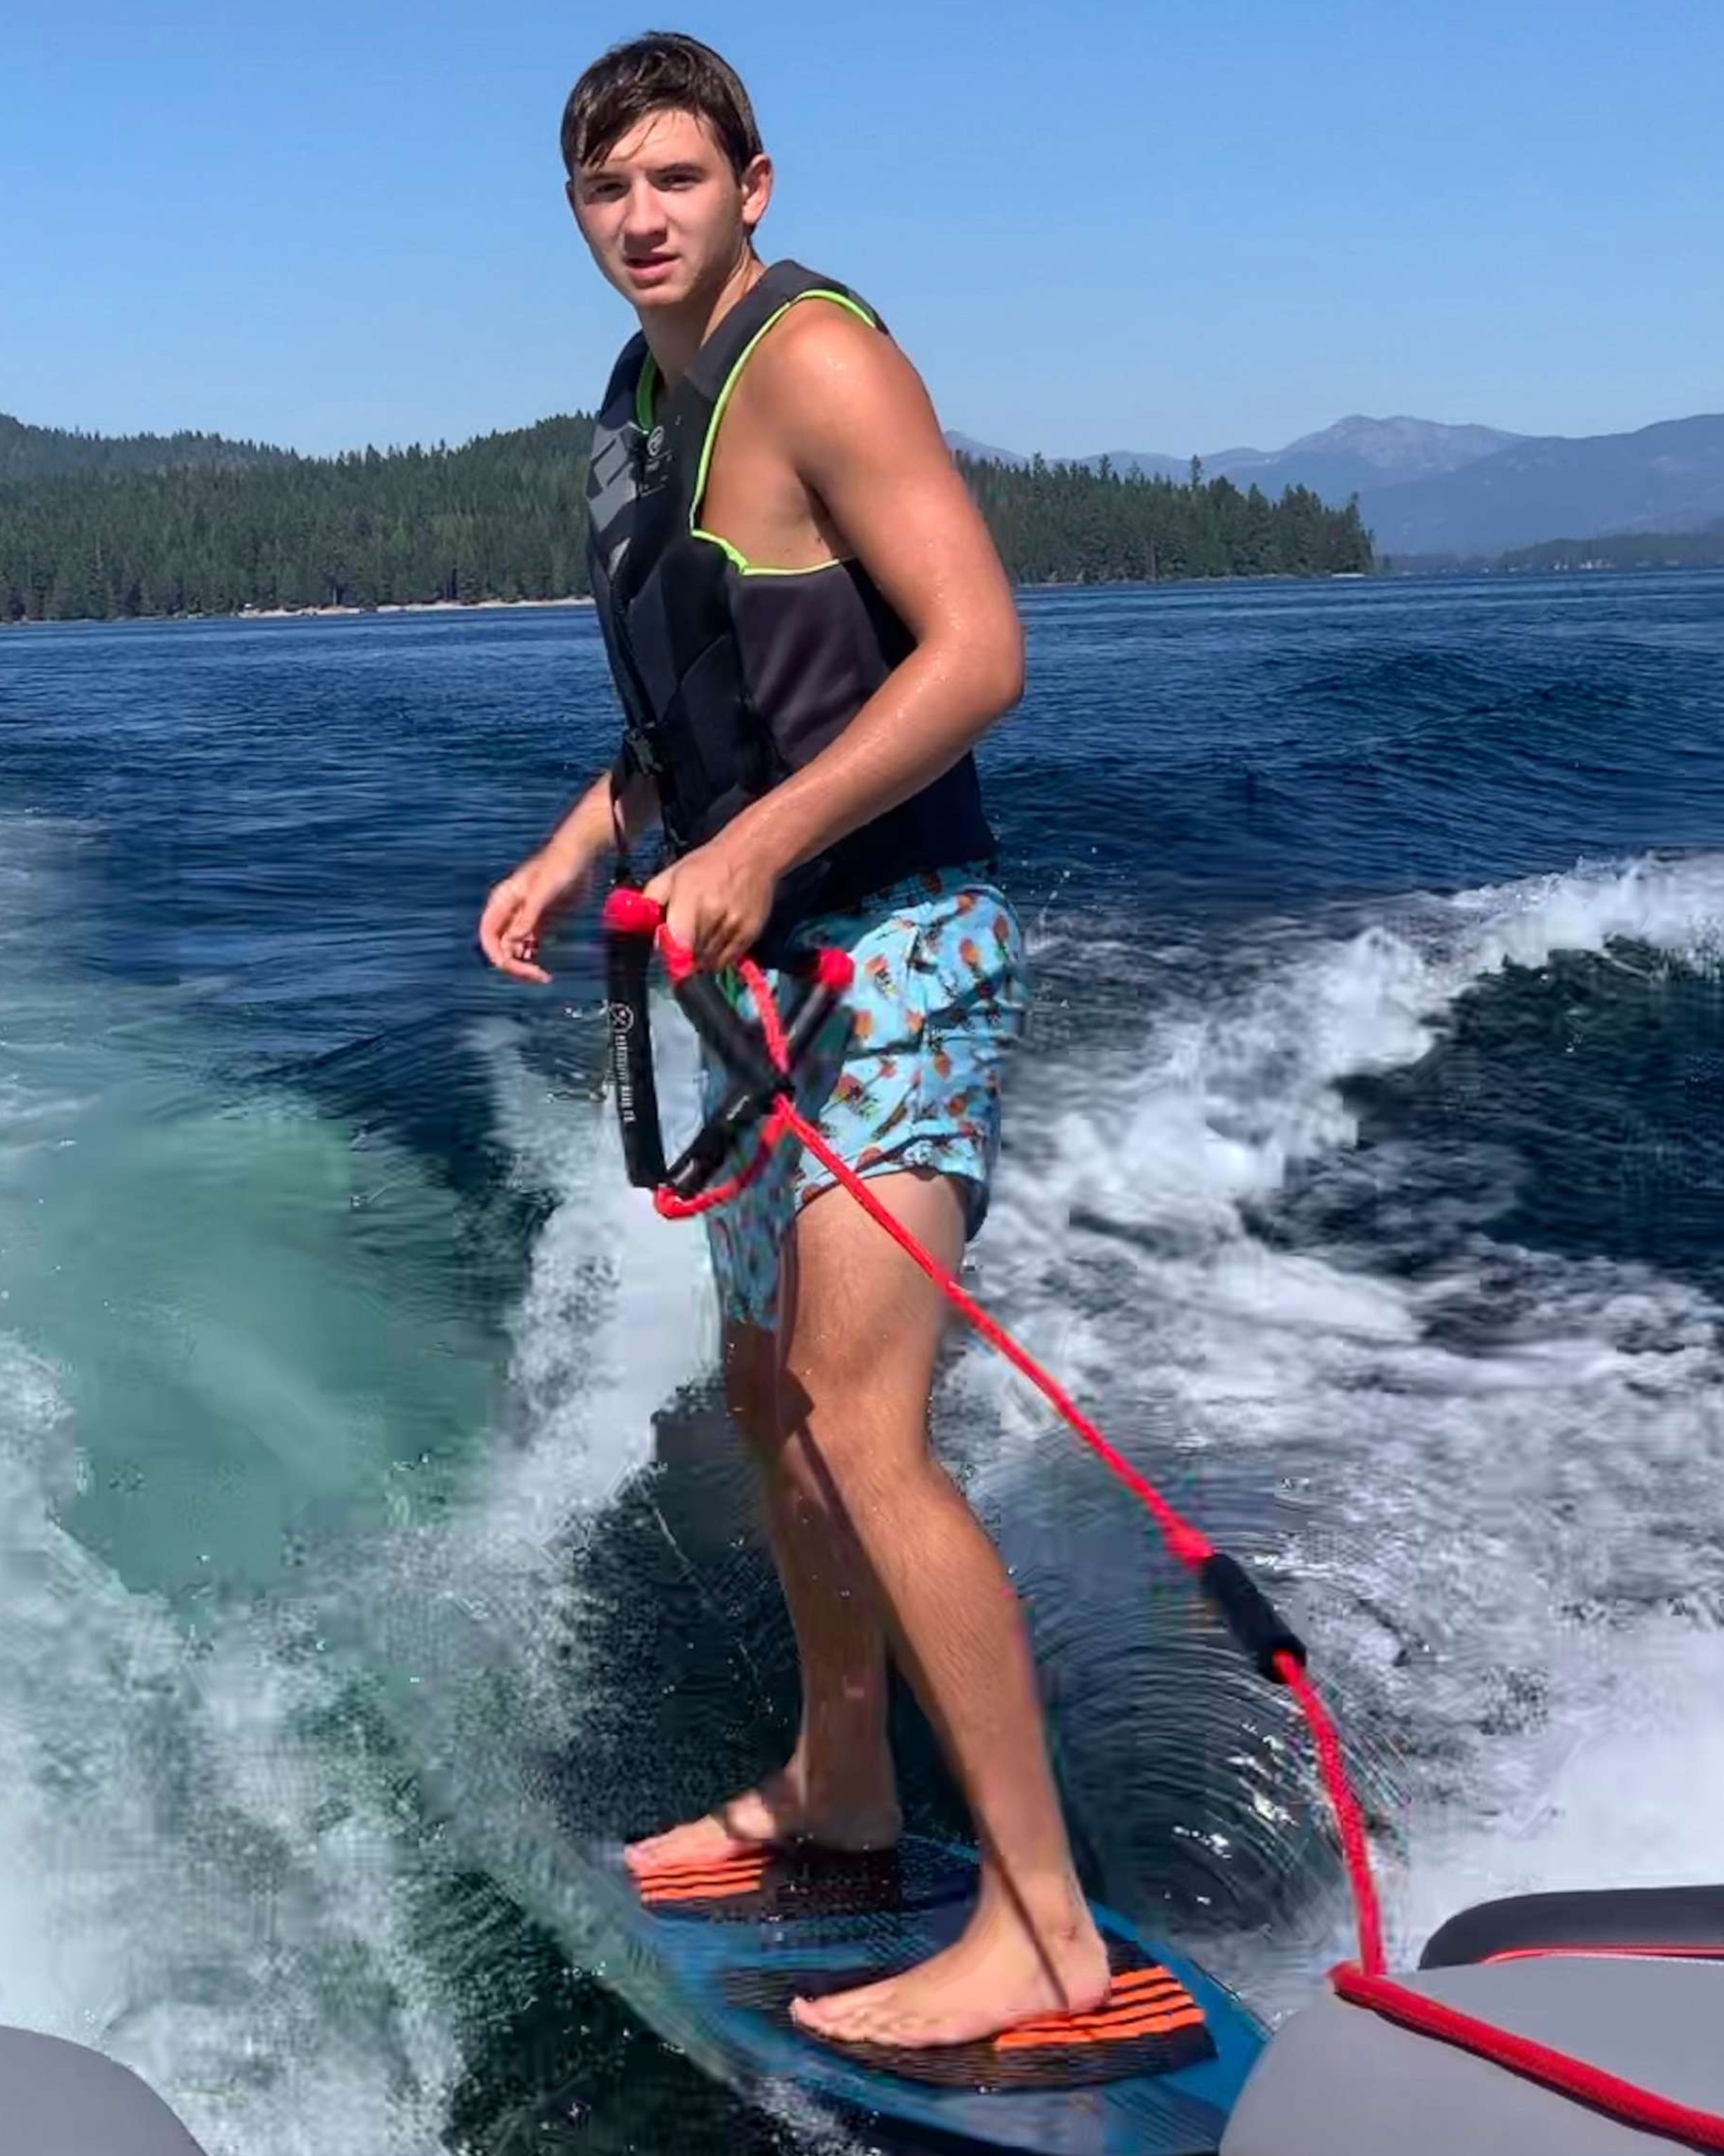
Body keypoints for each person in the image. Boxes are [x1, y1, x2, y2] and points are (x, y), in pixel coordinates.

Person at [477, 31, 1107, 2051]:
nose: (641, 220)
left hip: (899, 947)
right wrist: (591, 837)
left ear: (755, 178)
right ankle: (842, 1792)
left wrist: (752, 843)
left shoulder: (813, 361)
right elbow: (707, 687)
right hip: (756, 982)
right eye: (606, 193)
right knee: (766, 1401)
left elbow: (977, 649)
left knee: (859, 1419)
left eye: (674, 178)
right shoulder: (641, 404)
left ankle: (1042, 1931)